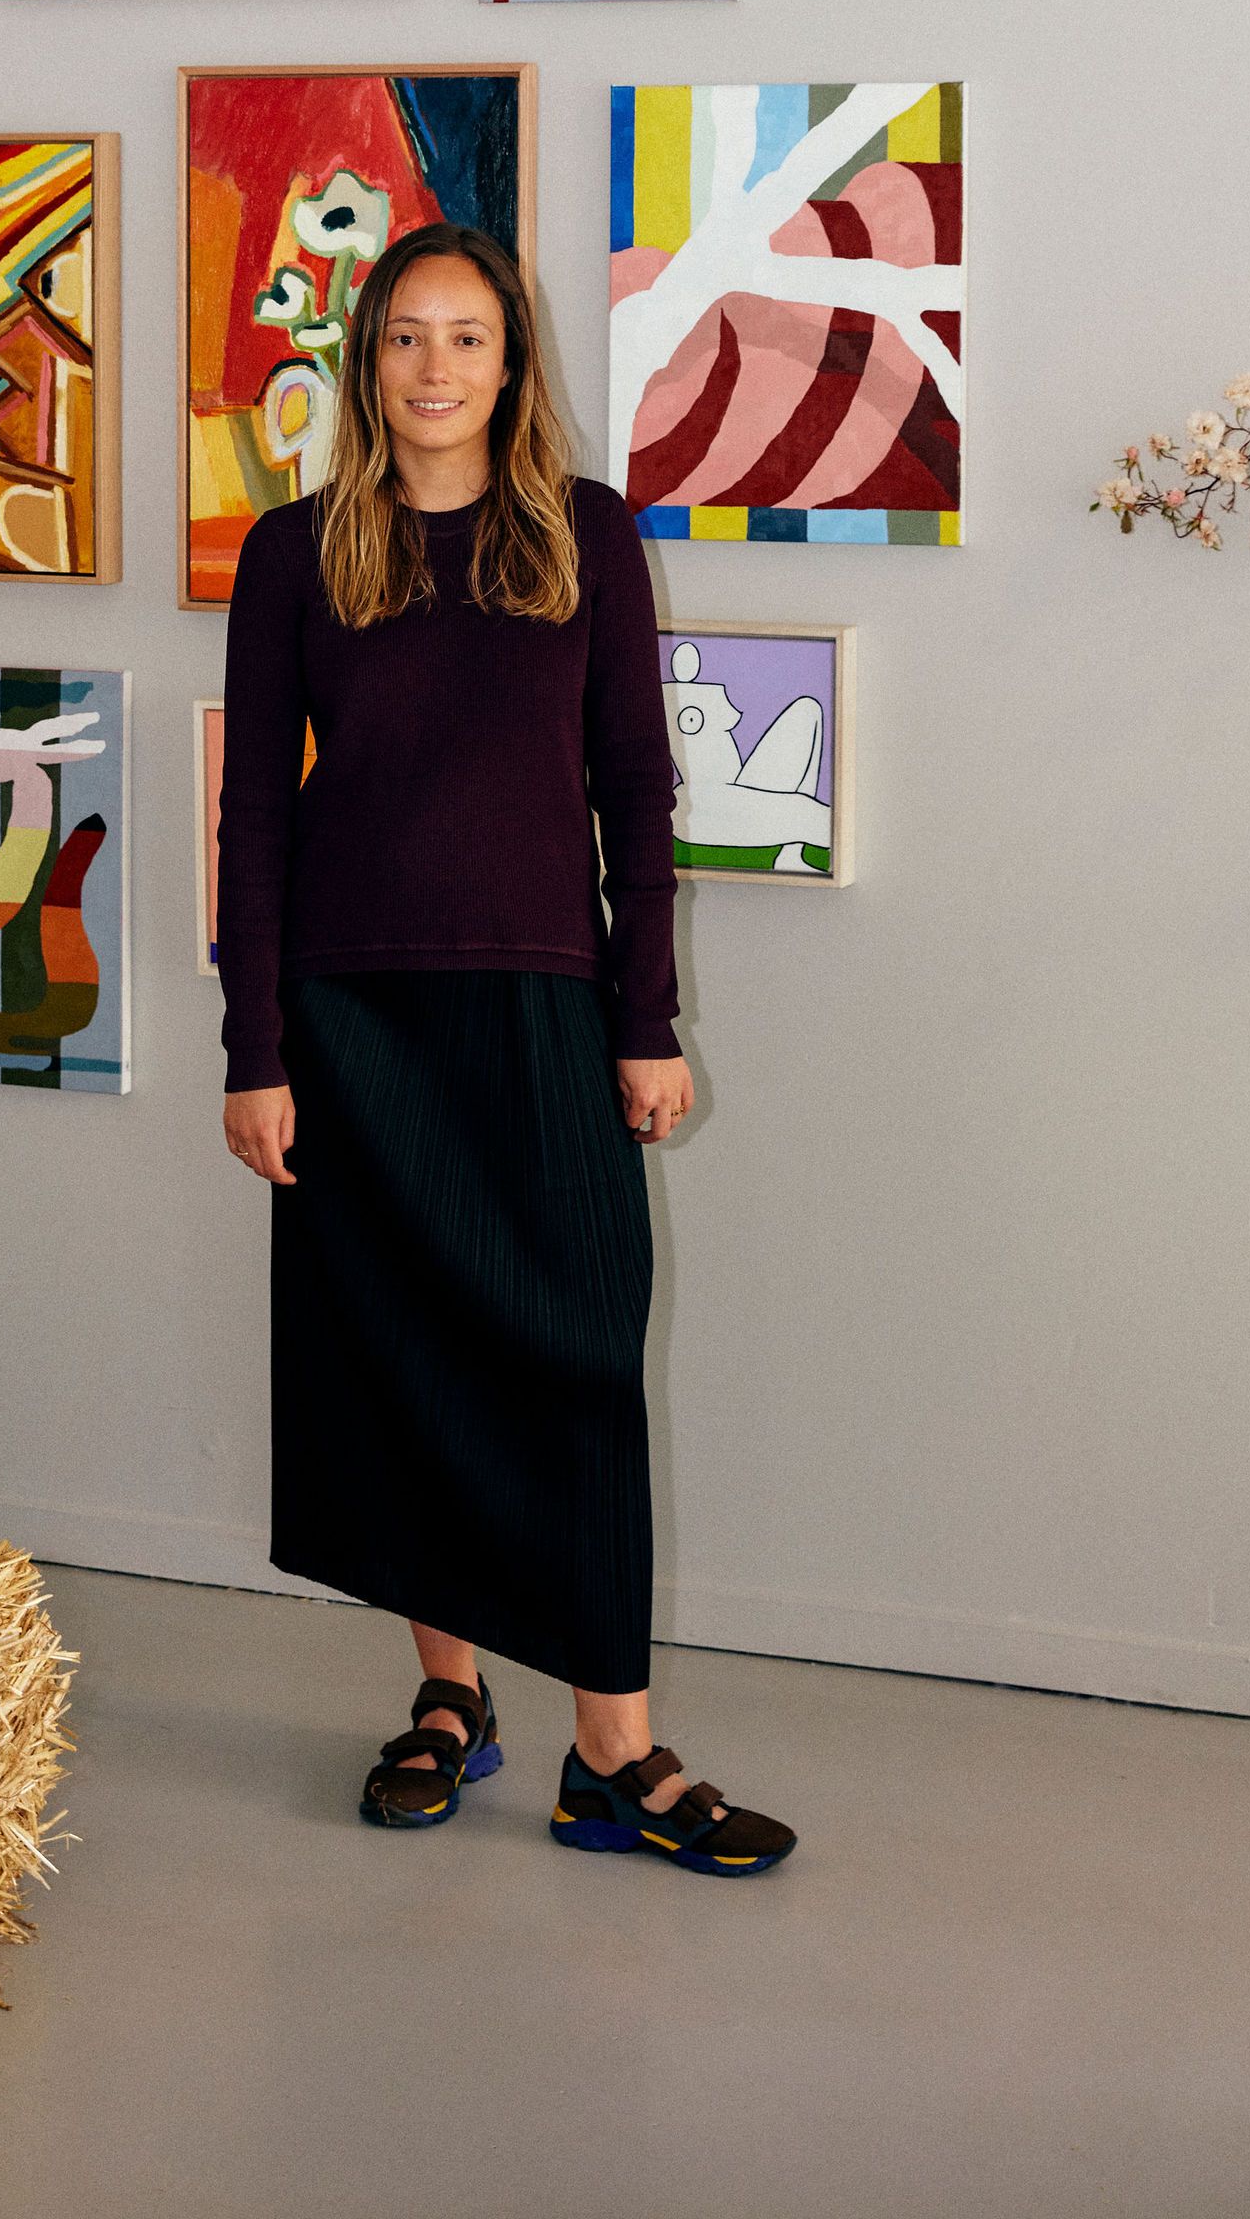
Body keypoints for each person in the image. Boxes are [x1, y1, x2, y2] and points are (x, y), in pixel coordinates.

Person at [217, 222, 797, 1880]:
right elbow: (256, 814)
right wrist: (256, 1047)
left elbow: (638, 795)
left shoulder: (587, 540)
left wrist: (648, 1021)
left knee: (577, 1356)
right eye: (405, 338)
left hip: (543, 997)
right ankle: (449, 1703)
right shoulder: (295, 553)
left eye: (467, 339)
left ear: (513, 362)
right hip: (351, 1014)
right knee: (401, 1356)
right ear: (366, 362)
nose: (434, 370)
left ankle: (611, 1755)